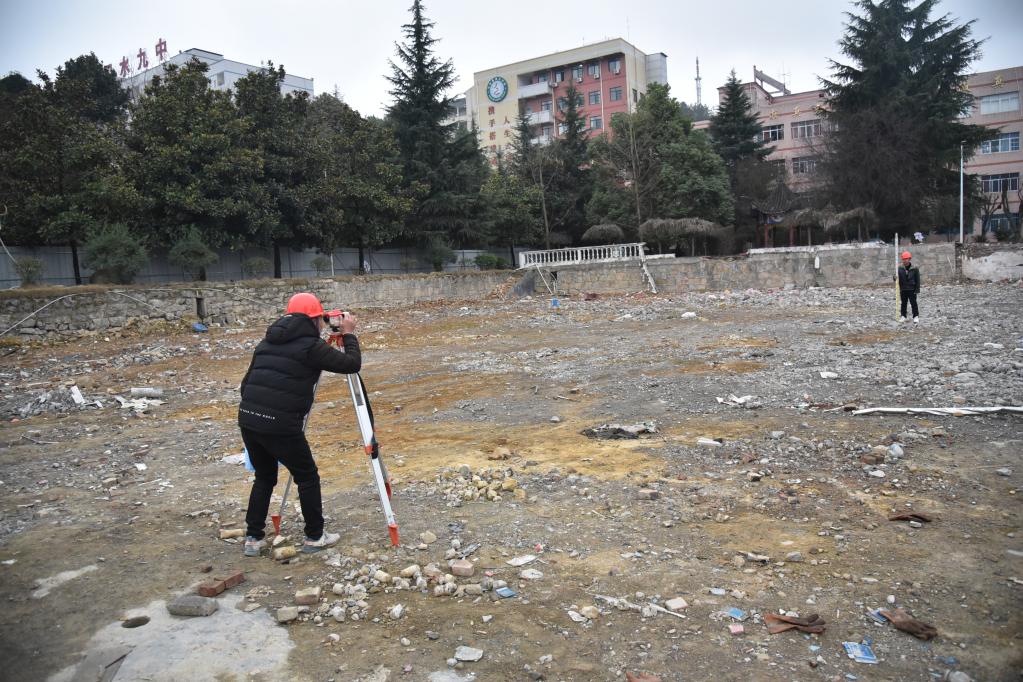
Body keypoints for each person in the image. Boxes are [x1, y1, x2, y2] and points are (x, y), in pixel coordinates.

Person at [237, 292, 360, 556]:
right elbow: (352, 364)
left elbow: (244, 386)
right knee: (306, 475)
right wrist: (348, 334)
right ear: (314, 320)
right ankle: (315, 537)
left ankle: (253, 538)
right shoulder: (310, 346)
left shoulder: (266, 342)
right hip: (280, 425)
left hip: (248, 419)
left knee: (264, 477)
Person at [896, 251, 921, 323]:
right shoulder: (899, 268)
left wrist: (917, 289)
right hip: (903, 289)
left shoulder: (915, 268)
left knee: (913, 303)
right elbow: (895, 278)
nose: (905, 260)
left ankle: (915, 316)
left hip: (912, 289)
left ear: (909, 259)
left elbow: (918, 279)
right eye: (904, 259)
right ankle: (903, 316)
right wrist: (895, 277)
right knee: (903, 303)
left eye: (906, 259)